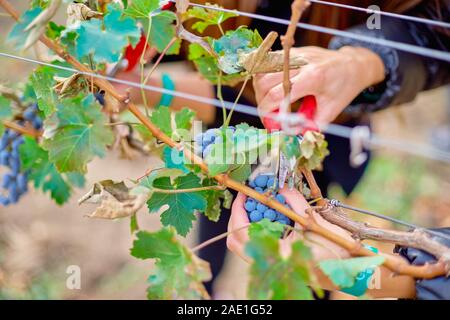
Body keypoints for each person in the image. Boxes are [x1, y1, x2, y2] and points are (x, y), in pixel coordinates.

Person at [114, 0, 449, 297]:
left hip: (326, 141)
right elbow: (231, 95)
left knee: (308, 235)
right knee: (219, 211)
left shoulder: (332, 19)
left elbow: (431, 32)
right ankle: (206, 291)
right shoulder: (203, 13)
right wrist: (136, 71)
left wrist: (362, 63)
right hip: (238, 143)